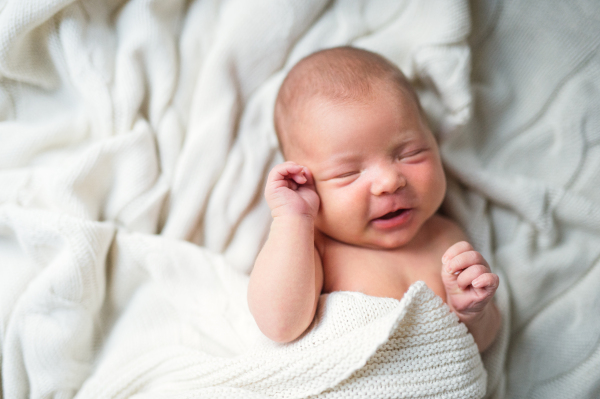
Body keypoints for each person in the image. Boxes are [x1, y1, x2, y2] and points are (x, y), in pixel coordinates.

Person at [247, 46, 500, 352]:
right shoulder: (316, 248)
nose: (389, 182)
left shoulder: (446, 238)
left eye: (410, 154)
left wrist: (472, 313)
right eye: (347, 173)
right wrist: (292, 220)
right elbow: (279, 325)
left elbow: (481, 346)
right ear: (305, 184)